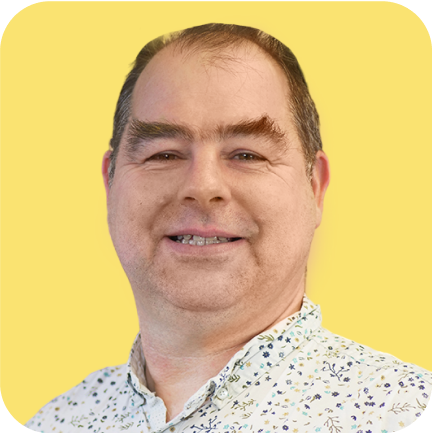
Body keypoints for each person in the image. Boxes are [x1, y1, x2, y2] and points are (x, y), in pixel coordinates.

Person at [24, 23, 430, 433]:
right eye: (164, 154)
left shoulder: (402, 412)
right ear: (110, 184)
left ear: (314, 187)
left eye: (247, 155)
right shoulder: (54, 423)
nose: (203, 187)